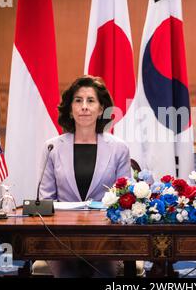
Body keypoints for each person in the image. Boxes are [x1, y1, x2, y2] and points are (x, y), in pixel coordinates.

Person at [39, 75, 131, 278]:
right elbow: (46, 199)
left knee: (103, 273)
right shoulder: (52, 147)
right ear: (70, 109)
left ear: (101, 109)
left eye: (91, 101)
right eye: (78, 100)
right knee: (67, 273)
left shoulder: (118, 149)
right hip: (61, 238)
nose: (84, 107)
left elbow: (125, 201)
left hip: (106, 239)